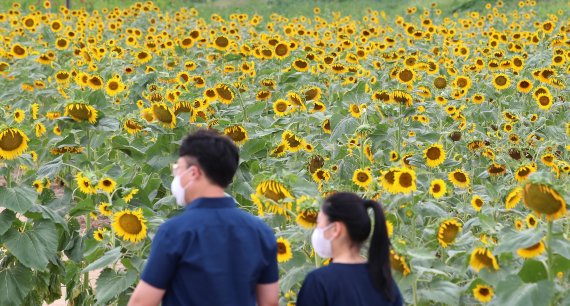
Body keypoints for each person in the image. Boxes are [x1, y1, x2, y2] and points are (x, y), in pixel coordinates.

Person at [128, 129, 279, 306]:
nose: (175, 175)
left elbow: (142, 301)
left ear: (193, 173)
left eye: (178, 168)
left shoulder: (175, 231)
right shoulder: (261, 231)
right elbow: (269, 301)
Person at [297, 192, 403, 306]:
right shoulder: (385, 282)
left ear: (335, 229)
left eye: (318, 223)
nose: (316, 229)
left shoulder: (319, 282)